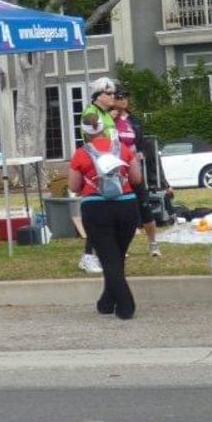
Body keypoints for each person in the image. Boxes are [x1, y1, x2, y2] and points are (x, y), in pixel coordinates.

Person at [68, 115, 143, 320]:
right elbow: (136, 178)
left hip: (96, 207)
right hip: (126, 204)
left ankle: (126, 305)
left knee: (109, 258)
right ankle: (107, 301)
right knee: (117, 256)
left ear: (84, 132)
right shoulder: (123, 149)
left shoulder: (81, 154)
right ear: (103, 128)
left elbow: (74, 187)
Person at [112, 88, 163, 257]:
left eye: (125, 96)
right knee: (119, 207)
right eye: (119, 97)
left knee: (143, 204)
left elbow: (141, 142)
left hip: (133, 166)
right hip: (117, 169)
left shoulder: (134, 120)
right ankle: (120, 245)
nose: (123, 100)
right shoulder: (109, 119)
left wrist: (140, 154)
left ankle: (153, 243)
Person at [78, 77, 119, 274]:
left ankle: (100, 254)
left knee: (108, 216)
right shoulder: (92, 114)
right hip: (98, 169)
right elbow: (93, 140)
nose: (113, 97)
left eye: (113, 93)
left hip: (110, 167)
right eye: (109, 93)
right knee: (98, 216)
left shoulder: (106, 114)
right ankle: (88, 256)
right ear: (98, 96)